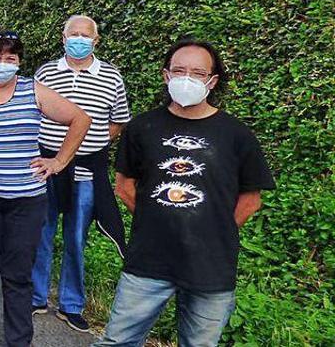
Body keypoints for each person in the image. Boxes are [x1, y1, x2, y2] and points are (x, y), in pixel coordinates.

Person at [94, 39, 274, 347]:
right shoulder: (142, 128)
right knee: (117, 341)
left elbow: (250, 200)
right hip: (148, 259)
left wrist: (213, 230)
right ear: (166, 76)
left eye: (197, 72)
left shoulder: (237, 135)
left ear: (212, 80)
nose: (186, 78)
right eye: (179, 70)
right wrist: (159, 221)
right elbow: (124, 187)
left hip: (211, 265)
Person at [0, 28, 90, 347]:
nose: (2, 63)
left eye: (10, 57)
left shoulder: (34, 90)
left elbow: (80, 119)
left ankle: (19, 338)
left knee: (18, 273)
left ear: (19, 61)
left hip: (26, 199)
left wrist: (59, 162)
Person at [32, 15, 131, 332]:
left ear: (96, 40)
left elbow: (117, 123)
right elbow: (32, 112)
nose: (78, 39)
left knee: (77, 235)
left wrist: (86, 144)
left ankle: (71, 304)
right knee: (42, 231)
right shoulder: (46, 72)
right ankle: (35, 296)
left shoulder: (111, 77)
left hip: (88, 165)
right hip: (45, 163)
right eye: (72, 34)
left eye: (84, 35)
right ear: (63, 39)